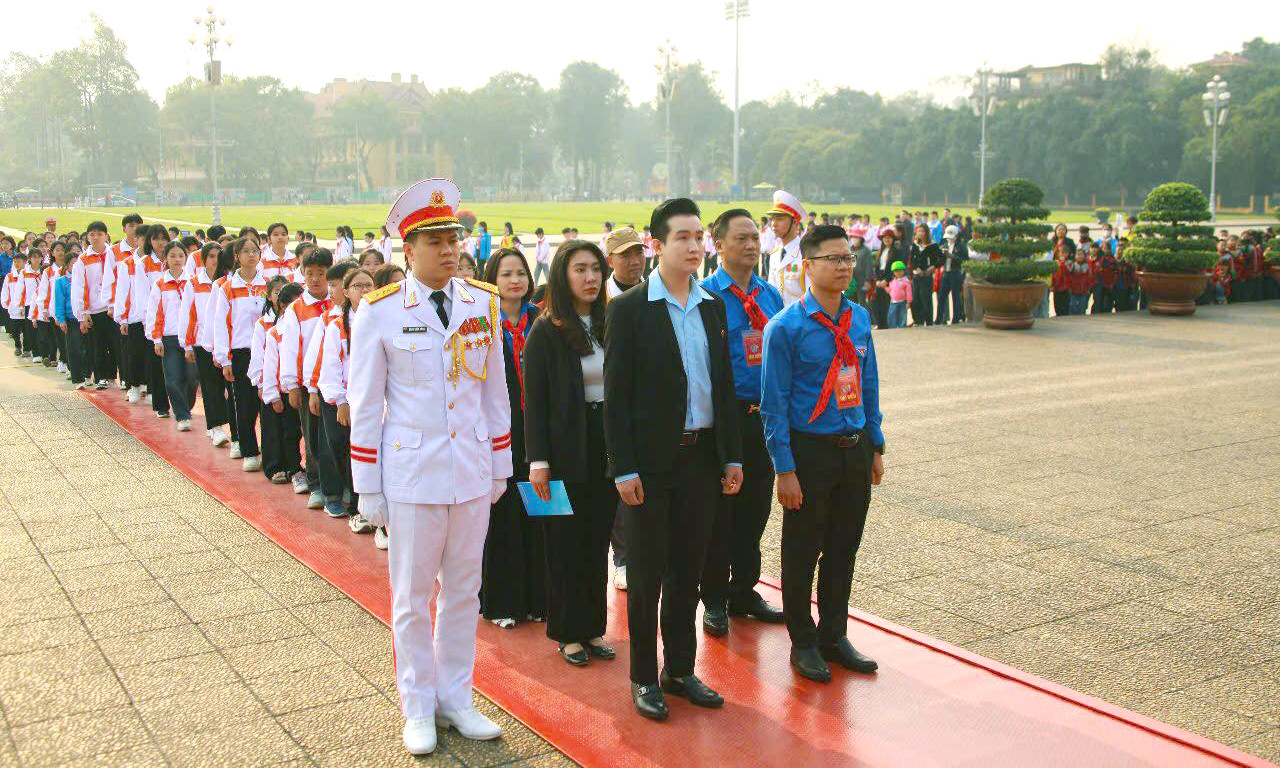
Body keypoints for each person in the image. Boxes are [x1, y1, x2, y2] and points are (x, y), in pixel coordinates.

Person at [348, 178, 510, 755]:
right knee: (413, 598)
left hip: (469, 469)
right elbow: (366, 405)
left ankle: (456, 698)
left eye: (454, 237)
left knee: (465, 590)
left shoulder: (482, 304)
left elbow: (495, 395)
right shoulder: (380, 312)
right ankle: (416, 705)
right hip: (412, 475)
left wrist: (500, 465)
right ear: (407, 250)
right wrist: (367, 485)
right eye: (434, 239)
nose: (449, 249)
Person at [604, 197, 742, 722]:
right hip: (650, 467)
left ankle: (680, 670)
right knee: (646, 575)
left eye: (697, 236)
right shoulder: (631, 310)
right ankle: (643, 677)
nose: (693, 246)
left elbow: (722, 387)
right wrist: (623, 467)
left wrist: (731, 455)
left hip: (702, 459)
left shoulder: (712, 306)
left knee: (690, 570)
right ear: (655, 245)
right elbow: (616, 398)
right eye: (682, 237)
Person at [760, 224, 885, 684]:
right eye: (832, 259)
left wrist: (875, 444)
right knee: (802, 550)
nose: (843, 267)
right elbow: (773, 406)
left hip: (854, 449)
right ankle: (804, 642)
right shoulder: (785, 328)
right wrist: (784, 470)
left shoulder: (861, 320)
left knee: (842, 548)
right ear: (806, 266)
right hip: (809, 453)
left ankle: (835, 635)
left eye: (848, 258)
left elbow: (868, 384)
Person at [524, 240, 617, 665]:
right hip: (561, 451)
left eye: (596, 269)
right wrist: (538, 461)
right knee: (563, 542)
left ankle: (593, 628)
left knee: (596, 541)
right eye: (580, 269)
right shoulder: (546, 330)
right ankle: (567, 631)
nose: (591, 277)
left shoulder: (609, 322)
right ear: (562, 275)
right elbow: (535, 402)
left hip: (604, 447)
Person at [698, 209, 785, 638]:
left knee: (755, 511)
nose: (752, 245)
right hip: (724, 420)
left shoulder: (770, 297)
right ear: (718, 244)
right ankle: (713, 598)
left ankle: (743, 590)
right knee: (721, 514)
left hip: (762, 418)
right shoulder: (705, 297)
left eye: (756, 237)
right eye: (742, 238)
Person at [478, 248, 546, 628]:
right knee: (502, 519)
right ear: (493, 279)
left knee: (545, 515)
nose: (515, 280)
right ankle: (502, 602)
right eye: (506, 274)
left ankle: (544, 598)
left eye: (520, 272)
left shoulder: (545, 320)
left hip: (540, 434)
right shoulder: (481, 323)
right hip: (499, 433)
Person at [278, 248, 339, 511]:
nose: (315, 279)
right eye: (310, 273)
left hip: (335, 382)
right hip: (307, 384)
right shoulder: (296, 309)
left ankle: (339, 484)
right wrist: (292, 384)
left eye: (322, 274)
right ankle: (316, 484)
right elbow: (290, 348)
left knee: (334, 437)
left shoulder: (338, 305)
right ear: (302, 273)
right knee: (312, 435)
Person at [317, 266, 375, 528]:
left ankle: (371, 507)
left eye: (369, 285)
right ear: (346, 291)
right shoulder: (337, 325)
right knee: (346, 451)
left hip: (374, 401)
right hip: (349, 400)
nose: (364, 290)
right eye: (358, 286)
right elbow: (330, 366)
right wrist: (341, 401)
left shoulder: (380, 319)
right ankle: (355, 506)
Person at [211, 236, 269, 471]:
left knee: (268, 402)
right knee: (244, 404)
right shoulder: (227, 288)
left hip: (265, 352)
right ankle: (249, 451)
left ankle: (271, 449)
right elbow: (220, 325)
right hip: (241, 352)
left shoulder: (267, 285)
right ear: (236, 256)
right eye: (245, 251)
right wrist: (224, 358)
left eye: (255, 250)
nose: (251, 255)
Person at [178, 242, 232, 446]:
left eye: (219, 255)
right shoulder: (193, 283)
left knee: (230, 387)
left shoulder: (229, 281)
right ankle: (215, 427)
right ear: (204, 259)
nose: (215, 260)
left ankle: (235, 429)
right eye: (210, 256)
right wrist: (187, 344)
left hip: (227, 343)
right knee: (211, 386)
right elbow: (187, 313)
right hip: (202, 343)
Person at [145, 241, 198, 431]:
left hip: (190, 339)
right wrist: (156, 339)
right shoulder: (160, 284)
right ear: (166, 259)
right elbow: (154, 312)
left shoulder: (193, 281)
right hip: (168, 337)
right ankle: (182, 415)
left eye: (181, 256)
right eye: (173, 256)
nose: (177, 260)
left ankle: (186, 406)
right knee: (173, 378)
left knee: (192, 378)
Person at [70, 221, 116, 389]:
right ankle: (101, 377)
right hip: (95, 309)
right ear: (87, 238)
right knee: (99, 346)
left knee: (116, 344)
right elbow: (79, 287)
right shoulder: (82, 260)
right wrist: (83, 313)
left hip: (114, 308)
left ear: (106, 236)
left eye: (99, 234)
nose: (96, 237)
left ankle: (114, 376)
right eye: (92, 235)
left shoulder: (114, 255)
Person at [765, 190, 808, 307]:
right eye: (772, 219)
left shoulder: (806, 254)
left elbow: (812, 296)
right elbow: (772, 292)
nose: (774, 223)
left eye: (779, 219)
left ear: (795, 223)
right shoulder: (774, 254)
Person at [935, 225, 968, 324]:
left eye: (951, 237)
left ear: (956, 235)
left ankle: (956, 319)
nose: (950, 239)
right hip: (946, 273)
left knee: (956, 297)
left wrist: (952, 256)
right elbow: (940, 260)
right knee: (941, 297)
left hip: (956, 273)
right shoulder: (945, 244)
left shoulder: (961, 245)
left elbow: (965, 261)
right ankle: (939, 319)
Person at [907, 224, 938, 326]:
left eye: (922, 231)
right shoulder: (915, 245)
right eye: (919, 231)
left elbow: (940, 259)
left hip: (926, 276)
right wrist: (916, 268)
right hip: (916, 275)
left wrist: (933, 267)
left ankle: (928, 321)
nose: (920, 233)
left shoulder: (932, 245)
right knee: (916, 298)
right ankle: (918, 320)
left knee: (926, 298)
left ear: (926, 233)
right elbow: (912, 260)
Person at [604, 228, 646, 300]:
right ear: (610, 261)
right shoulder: (600, 298)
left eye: (639, 253)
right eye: (625, 255)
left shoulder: (658, 292)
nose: (635, 262)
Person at [886, 262, 912, 328]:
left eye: (900, 271)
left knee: (902, 315)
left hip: (902, 302)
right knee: (891, 315)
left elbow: (909, 292)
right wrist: (884, 287)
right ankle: (892, 327)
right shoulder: (892, 282)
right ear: (894, 272)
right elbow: (890, 291)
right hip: (893, 302)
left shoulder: (906, 281)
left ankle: (902, 326)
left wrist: (909, 302)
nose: (898, 273)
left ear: (903, 271)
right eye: (896, 271)